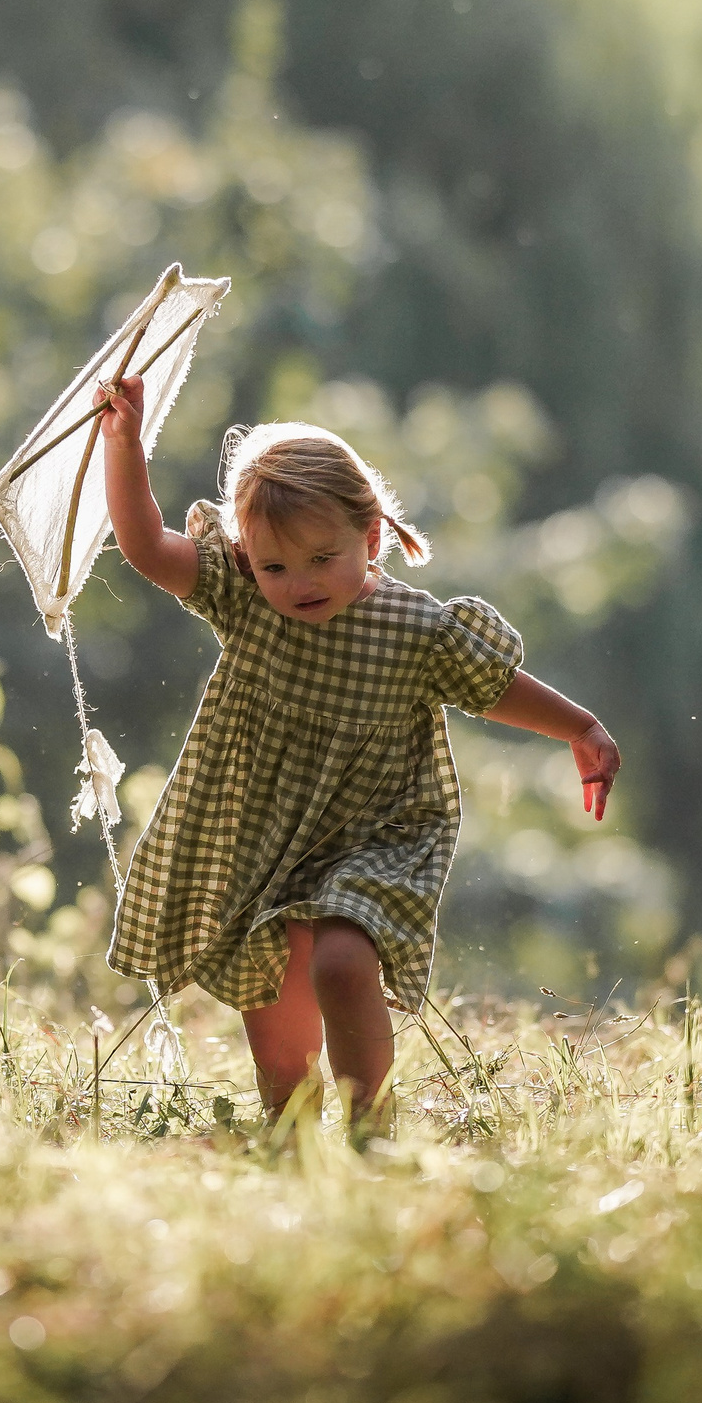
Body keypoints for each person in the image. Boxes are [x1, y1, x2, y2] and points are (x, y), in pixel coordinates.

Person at [94, 377, 621, 1134]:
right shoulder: (242, 594)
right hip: (266, 834)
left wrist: (579, 726)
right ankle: (294, 1149)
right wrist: (126, 448)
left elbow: (490, 685)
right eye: (275, 565)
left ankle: (373, 1128)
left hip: (380, 829)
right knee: (278, 1051)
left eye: (321, 557)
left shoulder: (414, 627)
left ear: (371, 538)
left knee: (341, 962)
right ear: (246, 555)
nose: (298, 583)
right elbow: (145, 545)